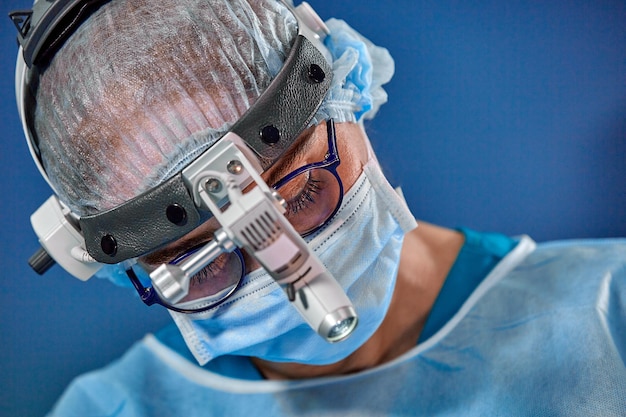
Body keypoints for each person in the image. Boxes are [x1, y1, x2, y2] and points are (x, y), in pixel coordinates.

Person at [11, 0, 626, 415]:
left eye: (300, 193)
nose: (284, 267)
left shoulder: (610, 312)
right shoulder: (115, 408)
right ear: (126, 269)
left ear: (344, 84)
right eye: (200, 264)